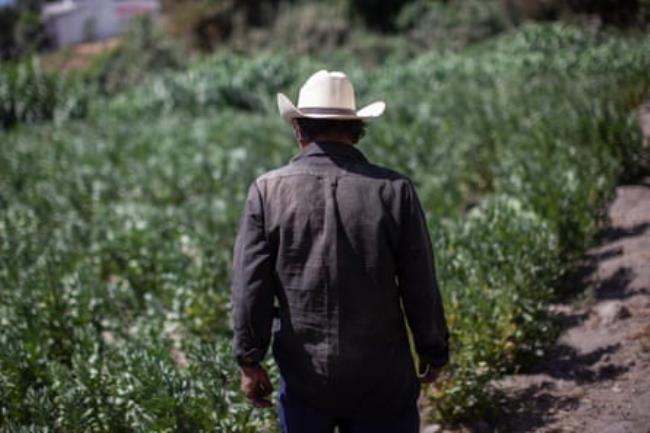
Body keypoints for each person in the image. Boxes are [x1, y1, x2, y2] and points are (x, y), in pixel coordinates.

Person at [230, 70, 449, 433]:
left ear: (299, 130)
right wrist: (433, 349)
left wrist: (250, 361)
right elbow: (420, 284)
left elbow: (250, 288)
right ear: (355, 130)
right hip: (383, 378)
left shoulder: (267, 192)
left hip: (305, 379)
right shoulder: (394, 190)